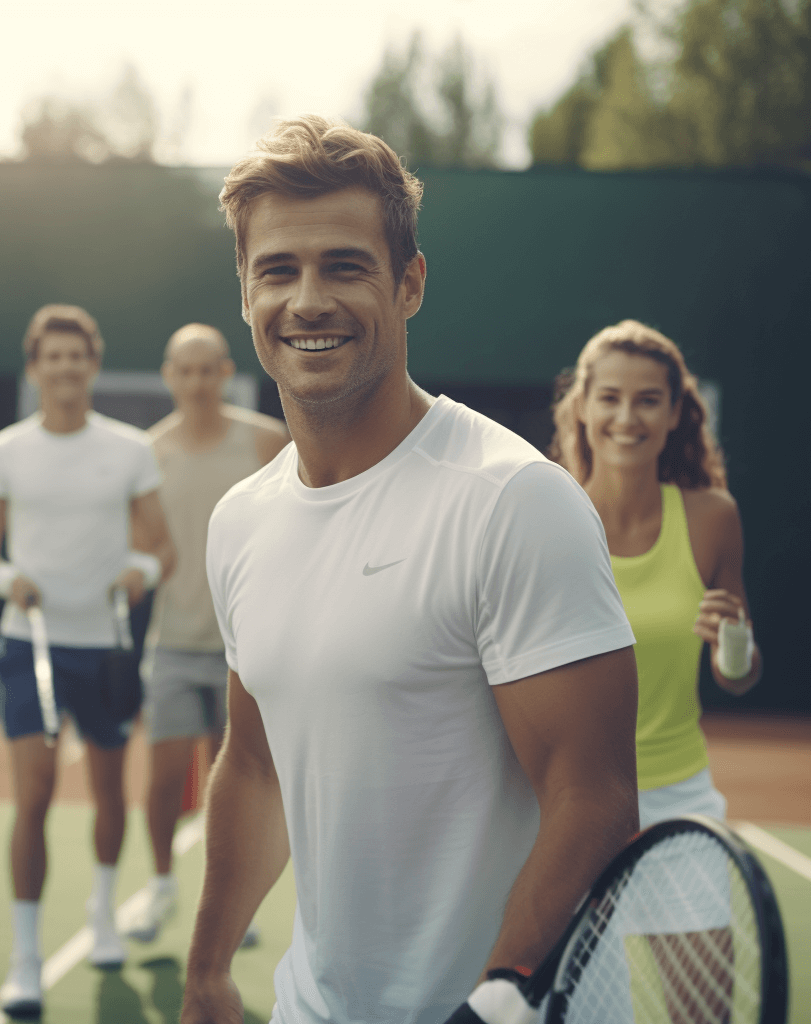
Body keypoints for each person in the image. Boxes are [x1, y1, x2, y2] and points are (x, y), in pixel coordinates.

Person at [181, 115, 640, 1024]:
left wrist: (491, 1003)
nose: (308, 300)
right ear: (244, 292)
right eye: (278, 270)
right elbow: (256, 766)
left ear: (410, 283)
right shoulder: (240, 521)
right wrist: (206, 972)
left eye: (345, 266)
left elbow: (593, 801)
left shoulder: (513, 500)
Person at [0, 305, 176, 1016]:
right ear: (34, 368)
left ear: (92, 364)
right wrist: (6, 579)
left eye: (75, 356)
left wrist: (142, 570)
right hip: (29, 647)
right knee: (34, 794)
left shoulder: (130, 450)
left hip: (106, 653)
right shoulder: (3, 451)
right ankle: (25, 960)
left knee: (112, 792)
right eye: (51, 357)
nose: (64, 368)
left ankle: (103, 913)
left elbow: (163, 546)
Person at [550, 320, 761, 830]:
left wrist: (733, 647)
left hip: (680, 792)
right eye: (610, 398)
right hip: (568, 793)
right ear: (583, 407)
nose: (627, 417)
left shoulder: (714, 518)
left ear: (674, 413)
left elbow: (739, 676)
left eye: (647, 400)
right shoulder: (546, 517)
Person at [123, 323, 287, 945]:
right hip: (170, 645)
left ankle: (234, 902)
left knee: (242, 779)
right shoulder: (148, 454)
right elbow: (142, 547)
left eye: (206, 369)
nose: (195, 382)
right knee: (166, 778)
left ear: (225, 372)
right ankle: (162, 886)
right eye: (184, 370)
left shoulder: (268, 441)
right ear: (170, 376)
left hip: (246, 651)